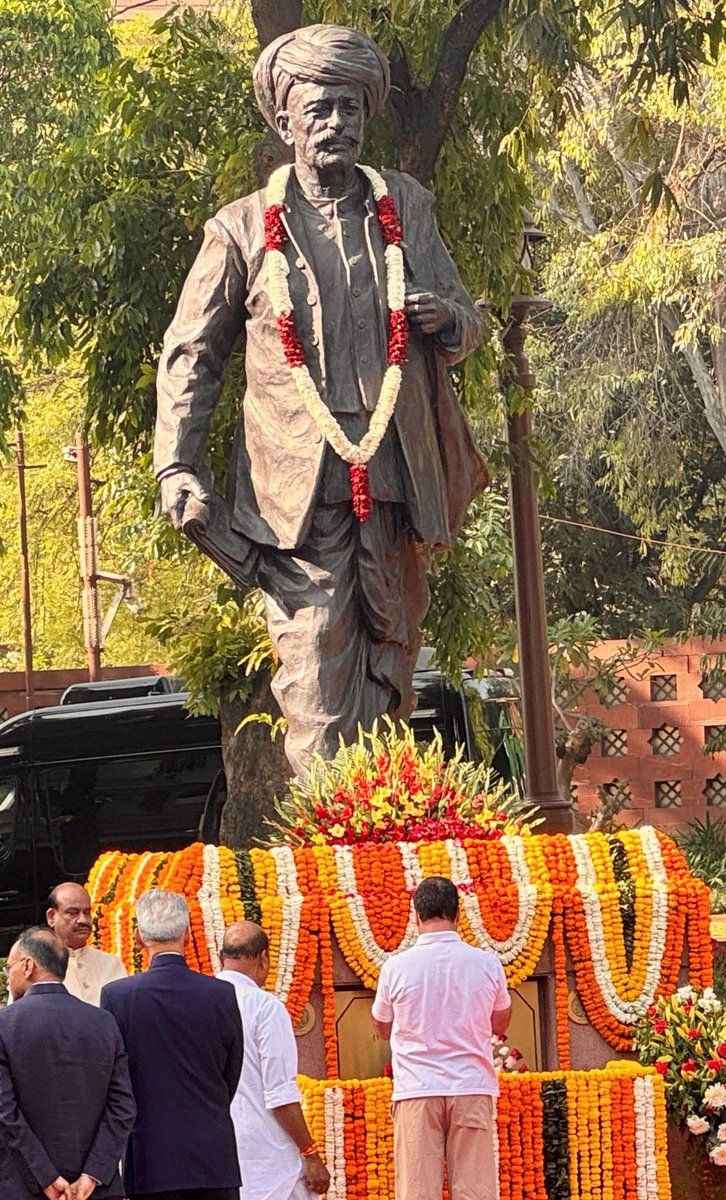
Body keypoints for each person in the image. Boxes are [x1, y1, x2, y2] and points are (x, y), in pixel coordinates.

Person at [154, 23, 488, 780]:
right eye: (320, 110)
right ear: (285, 122)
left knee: (391, 664)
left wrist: (449, 320)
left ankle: (380, 834)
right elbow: (192, 355)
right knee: (313, 672)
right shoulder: (241, 228)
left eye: (350, 108)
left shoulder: (405, 205)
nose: (338, 123)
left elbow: (469, 320)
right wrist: (176, 467)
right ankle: (327, 851)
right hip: (295, 491)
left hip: (396, 475)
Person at [371, 876, 511, 1200]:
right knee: (475, 1190)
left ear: (416, 916)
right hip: (471, 1086)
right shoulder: (486, 963)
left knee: (418, 1191)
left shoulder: (396, 967)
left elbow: (381, 1026)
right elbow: (500, 1021)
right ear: (458, 915)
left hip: (417, 1090)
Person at [100, 890, 244, 1200]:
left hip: (151, 1155)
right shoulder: (220, 994)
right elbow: (231, 1072)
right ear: (188, 934)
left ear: (139, 937)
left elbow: (115, 1076)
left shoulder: (118, 997)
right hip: (213, 1156)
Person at [0, 927, 136, 1200]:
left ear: (28, 966)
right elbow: (123, 1107)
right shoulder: (103, 1022)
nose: (7, 979)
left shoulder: (4, 1025)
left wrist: (46, 1176)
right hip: (95, 1191)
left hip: (25, 1187)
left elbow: (4, 1111)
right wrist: (92, 1175)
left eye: (9, 969)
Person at [217, 921, 330, 1200]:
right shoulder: (265, 1007)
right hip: (267, 1158)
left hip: (216, 1155)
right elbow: (279, 1095)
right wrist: (311, 1155)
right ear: (264, 958)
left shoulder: (199, 1004)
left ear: (221, 959)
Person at [46, 882, 127, 1005]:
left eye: (87, 912)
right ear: (51, 917)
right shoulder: (40, 965)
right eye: (72, 913)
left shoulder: (112, 963)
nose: (83, 920)